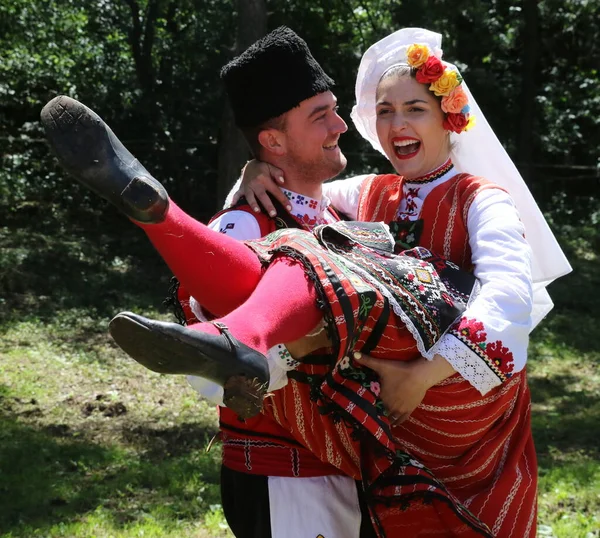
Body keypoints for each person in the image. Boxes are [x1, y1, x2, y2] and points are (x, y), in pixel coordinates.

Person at [42, 27, 377, 538]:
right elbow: (205, 382)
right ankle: (169, 228)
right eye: (321, 115)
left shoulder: (343, 210)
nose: (341, 125)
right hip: (286, 473)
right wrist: (306, 346)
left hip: (345, 462)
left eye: (335, 109)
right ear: (273, 141)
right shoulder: (243, 223)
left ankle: (161, 216)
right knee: (273, 278)